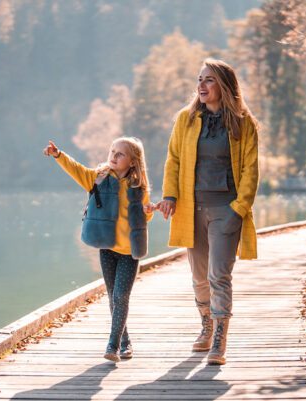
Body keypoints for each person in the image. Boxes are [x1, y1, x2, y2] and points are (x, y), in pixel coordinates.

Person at [156, 58, 260, 365]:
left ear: (224, 86)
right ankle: (206, 325)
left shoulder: (243, 123)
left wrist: (239, 208)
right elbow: (173, 159)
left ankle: (219, 338)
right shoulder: (185, 120)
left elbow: (251, 170)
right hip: (191, 208)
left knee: (219, 275)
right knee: (199, 276)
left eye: (209, 80)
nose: (201, 85)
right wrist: (170, 195)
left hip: (226, 209)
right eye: (199, 79)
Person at [43, 137, 154, 362]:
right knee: (114, 298)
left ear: (133, 162)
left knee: (121, 296)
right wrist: (58, 155)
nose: (113, 156)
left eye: (120, 154)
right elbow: (77, 170)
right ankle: (125, 342)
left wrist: (149, 210)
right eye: (112, 151)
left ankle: (112, 346)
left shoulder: (137, 187)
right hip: (107, 247)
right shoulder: (99, 178)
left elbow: (145, 216)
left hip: (129, 251)